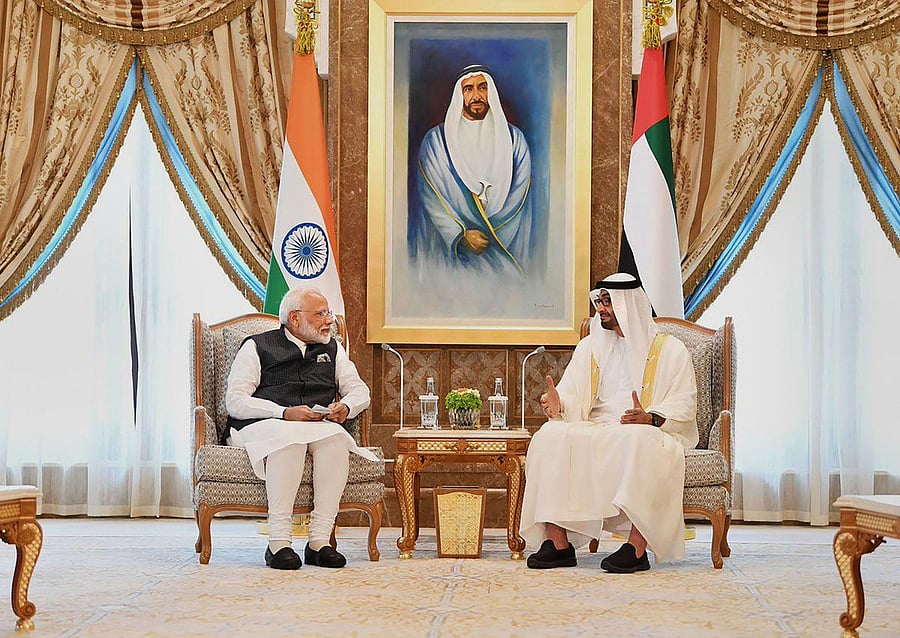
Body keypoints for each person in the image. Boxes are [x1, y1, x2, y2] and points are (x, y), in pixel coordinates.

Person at [521, 273, 698, 572]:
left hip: (646, 430)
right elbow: (571, 393)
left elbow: (685, 401)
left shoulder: (670, 350)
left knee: (641, 441)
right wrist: (558, 402)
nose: (601, 309)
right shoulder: (590, 346)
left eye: (608, 302)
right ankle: (558, 543)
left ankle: (636, 548)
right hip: (596, 425)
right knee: (549, 435)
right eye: (599, 302)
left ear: (628, 304)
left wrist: (650, 417)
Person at [225, 286, 376, 570]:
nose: (330, 320)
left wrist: (346, 407)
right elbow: (235, 401)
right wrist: (282, 412)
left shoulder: (332, 347)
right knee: (289, 440)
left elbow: (359, 390)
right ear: (295, 318)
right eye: (321, 314)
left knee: (334, 441)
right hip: (262, 425)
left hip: (315, 426)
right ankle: (278, 542)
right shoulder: (257, 346)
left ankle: (319, 542)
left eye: (329, 312)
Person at [411, 64, 534, 275]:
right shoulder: (436, 141)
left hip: (502, 253)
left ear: (491, 92)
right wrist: (460, 236)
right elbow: (431, 198)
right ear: (459, 94)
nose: (476, 95)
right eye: (468, 89)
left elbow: (519, 198)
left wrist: (491, 239)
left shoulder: (515, 140)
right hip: (453, 259)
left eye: (483, 87)